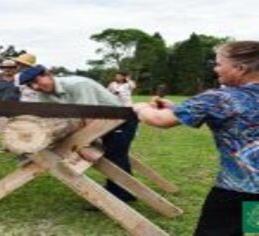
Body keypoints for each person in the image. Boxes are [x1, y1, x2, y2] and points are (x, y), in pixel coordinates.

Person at [133, 41, 259, 235]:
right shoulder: (219, 101)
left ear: (240, 68)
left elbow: (158, 120)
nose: (216, 69)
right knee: (251, 231)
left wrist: (140, 108)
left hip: (237, 193)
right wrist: (178, 110)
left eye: (218, 64)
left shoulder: (219, 98)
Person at [19, 65, 138, 202]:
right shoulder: (43, 95)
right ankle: (122, 191)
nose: (35, 87)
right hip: (98, 124)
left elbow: (89, 114)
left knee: (115, 155)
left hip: (120, 121)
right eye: (30, 85)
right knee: (113, 155)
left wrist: (86, 144)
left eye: (37, 81)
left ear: (49, 74)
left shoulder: (78, 85)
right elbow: (53, 118)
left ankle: (122, 194)